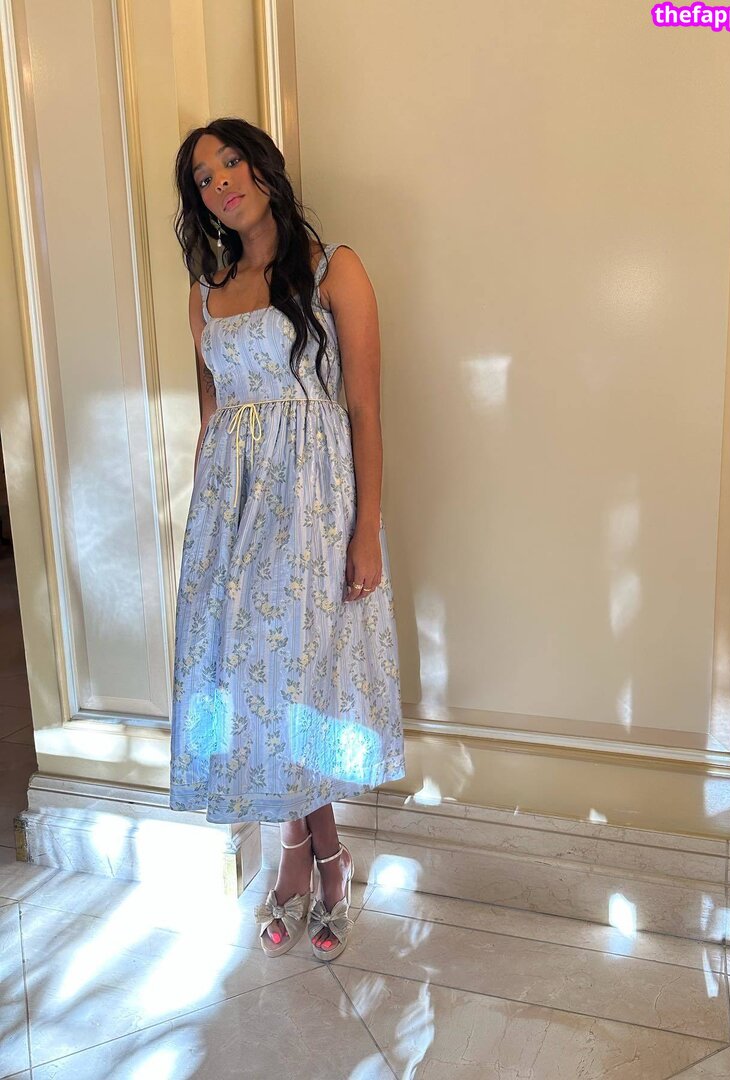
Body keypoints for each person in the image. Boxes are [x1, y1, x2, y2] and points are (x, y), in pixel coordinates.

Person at [168, 117, 406, 962]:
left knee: (305, 680)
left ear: (264, 168)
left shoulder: (336, 268)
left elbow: (365, 408)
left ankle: (304, 858)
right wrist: (203, 538)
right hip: (231, 516)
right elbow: (212, 418)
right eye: (203, 178)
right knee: (257, 685)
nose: (221, 183)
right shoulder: (205, 291)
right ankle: (316, 852)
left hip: (313, 508)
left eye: (231, 162)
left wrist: (366, 531)